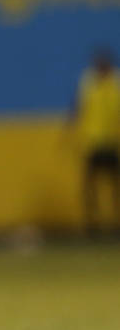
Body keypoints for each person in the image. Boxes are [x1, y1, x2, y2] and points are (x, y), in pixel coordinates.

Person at [72, 47, 120, 233]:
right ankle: (92, 224)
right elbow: (79, 109)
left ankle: (116, 222)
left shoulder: (116, 83)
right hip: (93, 142)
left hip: (113, 142)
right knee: (90, 186)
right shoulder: (88, 83)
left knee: (115, 185)